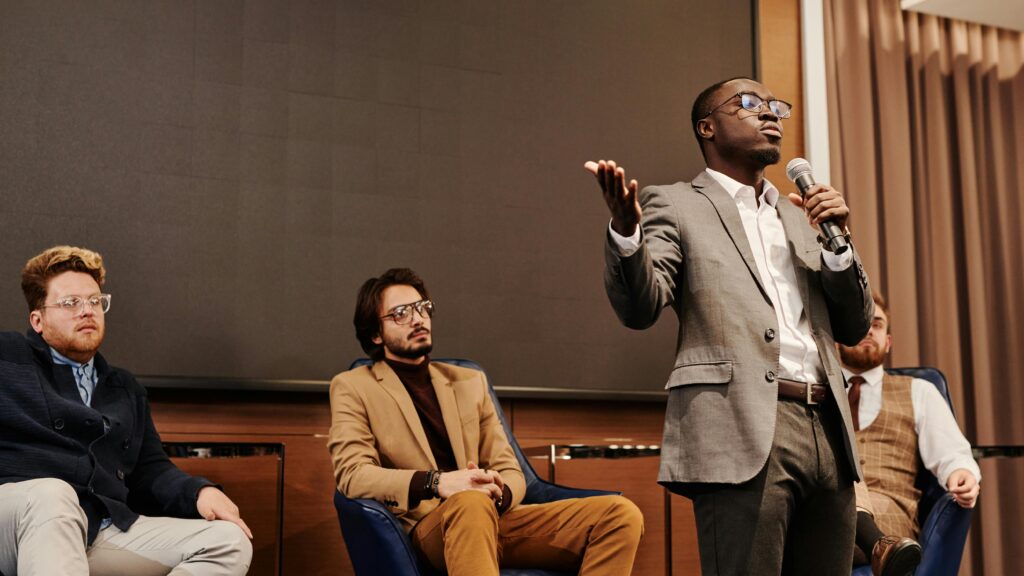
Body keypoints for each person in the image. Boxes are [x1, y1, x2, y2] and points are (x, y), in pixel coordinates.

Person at [585, 77, 874, 575]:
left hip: (828, 425)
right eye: (750, 103)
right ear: (707, 127)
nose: (769, 113)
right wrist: (628, 234)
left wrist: (838, 245)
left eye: (775, 106)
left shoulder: (800, 214)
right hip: (741, 425)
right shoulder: (675, 203)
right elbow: (641, 308)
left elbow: (854, 326)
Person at [328, 268, 644, 576]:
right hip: (431, 529)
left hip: (493, 516)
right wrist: (437, 482)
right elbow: (353, 475)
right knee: (468, 502)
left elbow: (510, 469)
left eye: (422, 308)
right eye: (401, 313)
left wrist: (497, 492)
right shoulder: (353, 386)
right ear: (375, 333)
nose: (418, 318)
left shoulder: (470, 381)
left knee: (620, 515)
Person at [0, 246, 253, 576]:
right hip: (17, 520)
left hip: (98, 527)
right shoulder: (8, 357)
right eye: (71, 303)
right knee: (53, 494)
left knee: (229, 541)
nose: (87, 311)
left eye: (94, 301)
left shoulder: (124, 388)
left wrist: (198, 492)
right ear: (38, 320)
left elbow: (150, 470)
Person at [842, 293, 980, 575]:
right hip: (825, 508)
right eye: (860, 323)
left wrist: (962, 473)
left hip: (889, 519)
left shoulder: (920, 391)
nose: (868, 330)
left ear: (888, 341)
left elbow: (952, 454)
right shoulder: (816, 395)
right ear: (837, 338)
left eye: (877, 324)